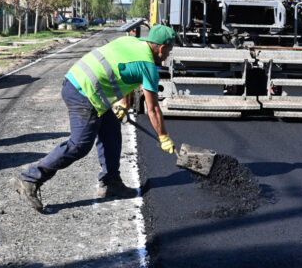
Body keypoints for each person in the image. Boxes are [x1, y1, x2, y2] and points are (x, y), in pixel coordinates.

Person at [9, 25, 178, 212]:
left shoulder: (131, 41)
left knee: (111, 132)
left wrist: (124, 104)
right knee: (79, 145)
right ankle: (30, 179)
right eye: (168, 51)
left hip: (77, 80)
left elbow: (121, 72)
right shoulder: (148, 66)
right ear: (161, 48)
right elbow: (153, 109)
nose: (167, 56)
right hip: (84, 93)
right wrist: (163, 136)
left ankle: (111, 182)